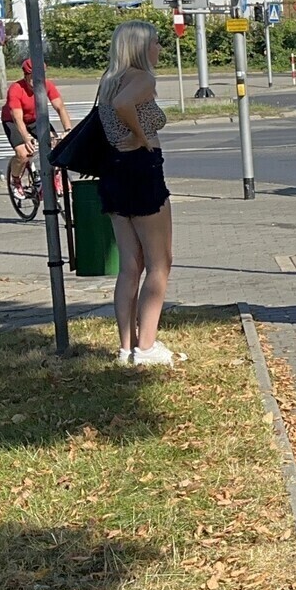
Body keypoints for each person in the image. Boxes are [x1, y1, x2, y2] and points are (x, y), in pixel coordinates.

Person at [94, 22, 178, 366]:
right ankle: (146, 347)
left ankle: (126, 346)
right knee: (160, 262)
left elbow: (113, 109)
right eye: (155, 43)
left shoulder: (108, 79)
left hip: (113, 170)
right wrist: (142, 137)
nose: (160, 49)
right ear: (140, 47)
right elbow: (124, 105)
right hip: (142, 169)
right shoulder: (141, 79)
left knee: (130, 265)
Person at [1, 58, 72, 187]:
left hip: (35, 120)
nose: (36, 80)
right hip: (13, 121)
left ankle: (56, 175)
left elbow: (60, 108)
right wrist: (26, 138)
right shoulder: (16, 89)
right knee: (23, 154)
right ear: (25, 76)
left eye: (39, 76)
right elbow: (17, 118)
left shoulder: (47, 85)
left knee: (56, 146)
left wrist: (68, 130)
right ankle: (15, 180)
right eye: (32, 76)